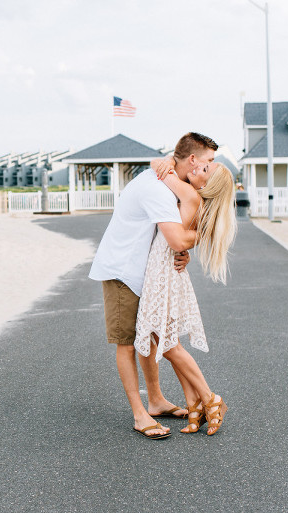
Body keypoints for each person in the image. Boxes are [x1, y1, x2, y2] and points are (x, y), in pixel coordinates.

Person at [89, 132, 217, 439]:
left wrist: (182, 253)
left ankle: (156, 401)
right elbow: (175, 237)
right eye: (209, 161)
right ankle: (139, 414)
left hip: (145, 270)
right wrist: (205, 234)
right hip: (123, 270)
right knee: (127, 342)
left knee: (149, 336)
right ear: (192, 160)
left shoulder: (171, 182)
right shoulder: (157, 190)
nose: (212, 167)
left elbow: (172, 239)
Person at [135, 156, 237, 435]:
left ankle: (208, 397)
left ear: (209, 184)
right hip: (165, 269)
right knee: (165, 340)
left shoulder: (190, 194)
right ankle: (194, 402)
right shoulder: (198, 201)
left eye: (204, 169)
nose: (196, 168)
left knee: (168, 345)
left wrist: (164, 162)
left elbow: (160, 172)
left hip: (163, 273)